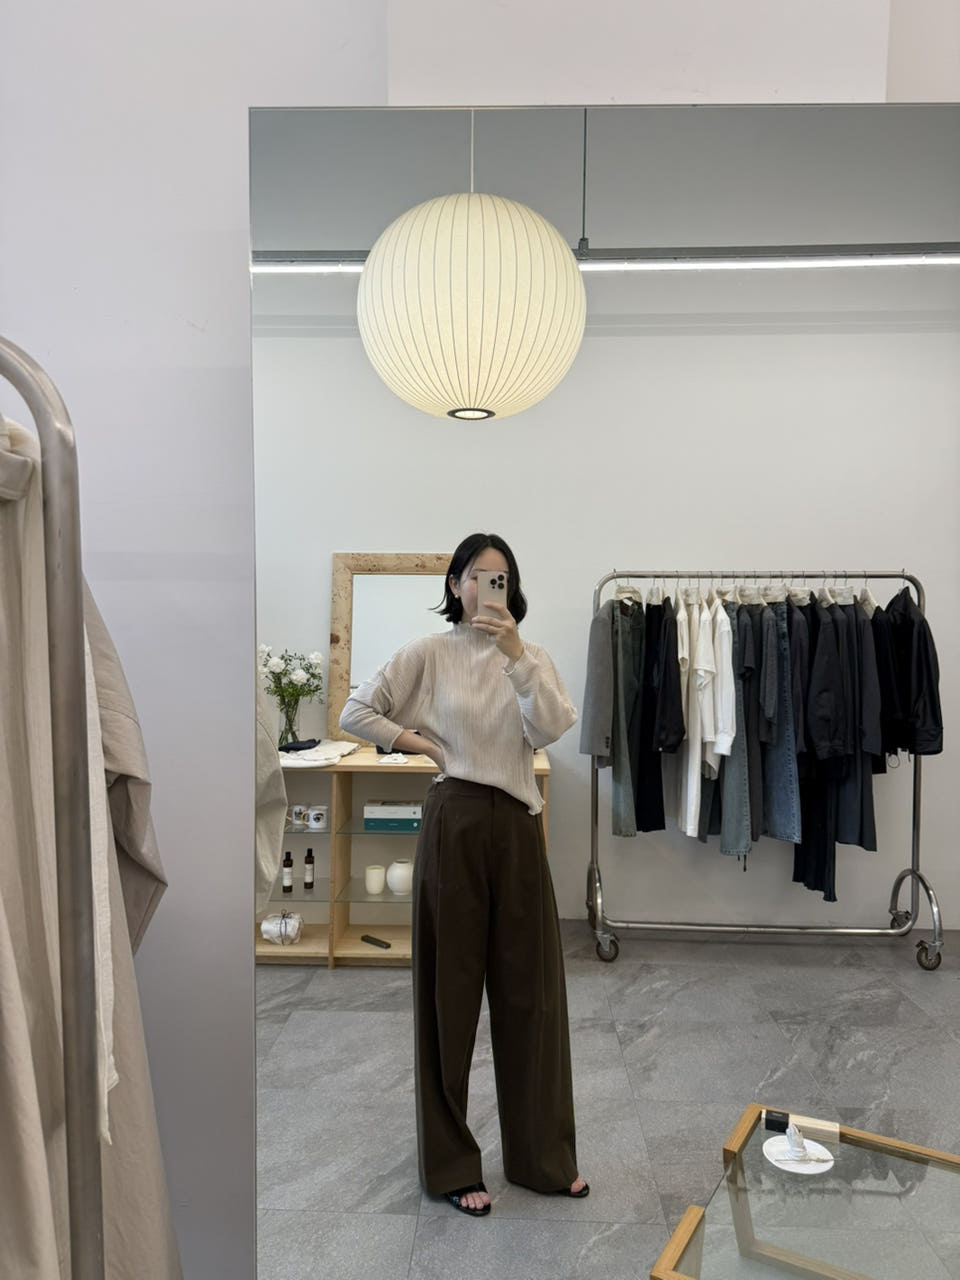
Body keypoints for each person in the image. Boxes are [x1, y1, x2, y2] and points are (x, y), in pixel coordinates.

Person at [339, 533, 587, 1217]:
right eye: (477, 575)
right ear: (455, 585)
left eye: (501, 577)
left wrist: (517, 658)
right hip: (455, 821)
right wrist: (420, 745)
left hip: (517, 825)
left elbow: (552, 727)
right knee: (448, 997)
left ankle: (542, 1158)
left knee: (532, 997)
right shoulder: (428, 653)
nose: (487, 587)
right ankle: (451, 1165)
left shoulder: (530, 658)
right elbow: (356, 711)